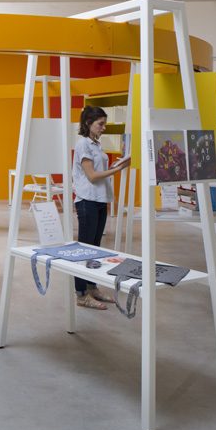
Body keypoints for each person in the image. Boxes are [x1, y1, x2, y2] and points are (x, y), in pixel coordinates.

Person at [72, 106, 131, 310]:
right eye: (100, 124)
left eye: (104, 123)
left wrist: (116, 166)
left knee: (95, 249)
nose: (104, 127)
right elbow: (92, 176)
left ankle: (92, 287)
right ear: (88, 123)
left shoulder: (96, 144)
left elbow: (99, 172)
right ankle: (81, 294)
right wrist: (116, 169)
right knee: (84, 249)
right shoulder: (83, 145)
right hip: (87, 200)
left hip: (99, 199)